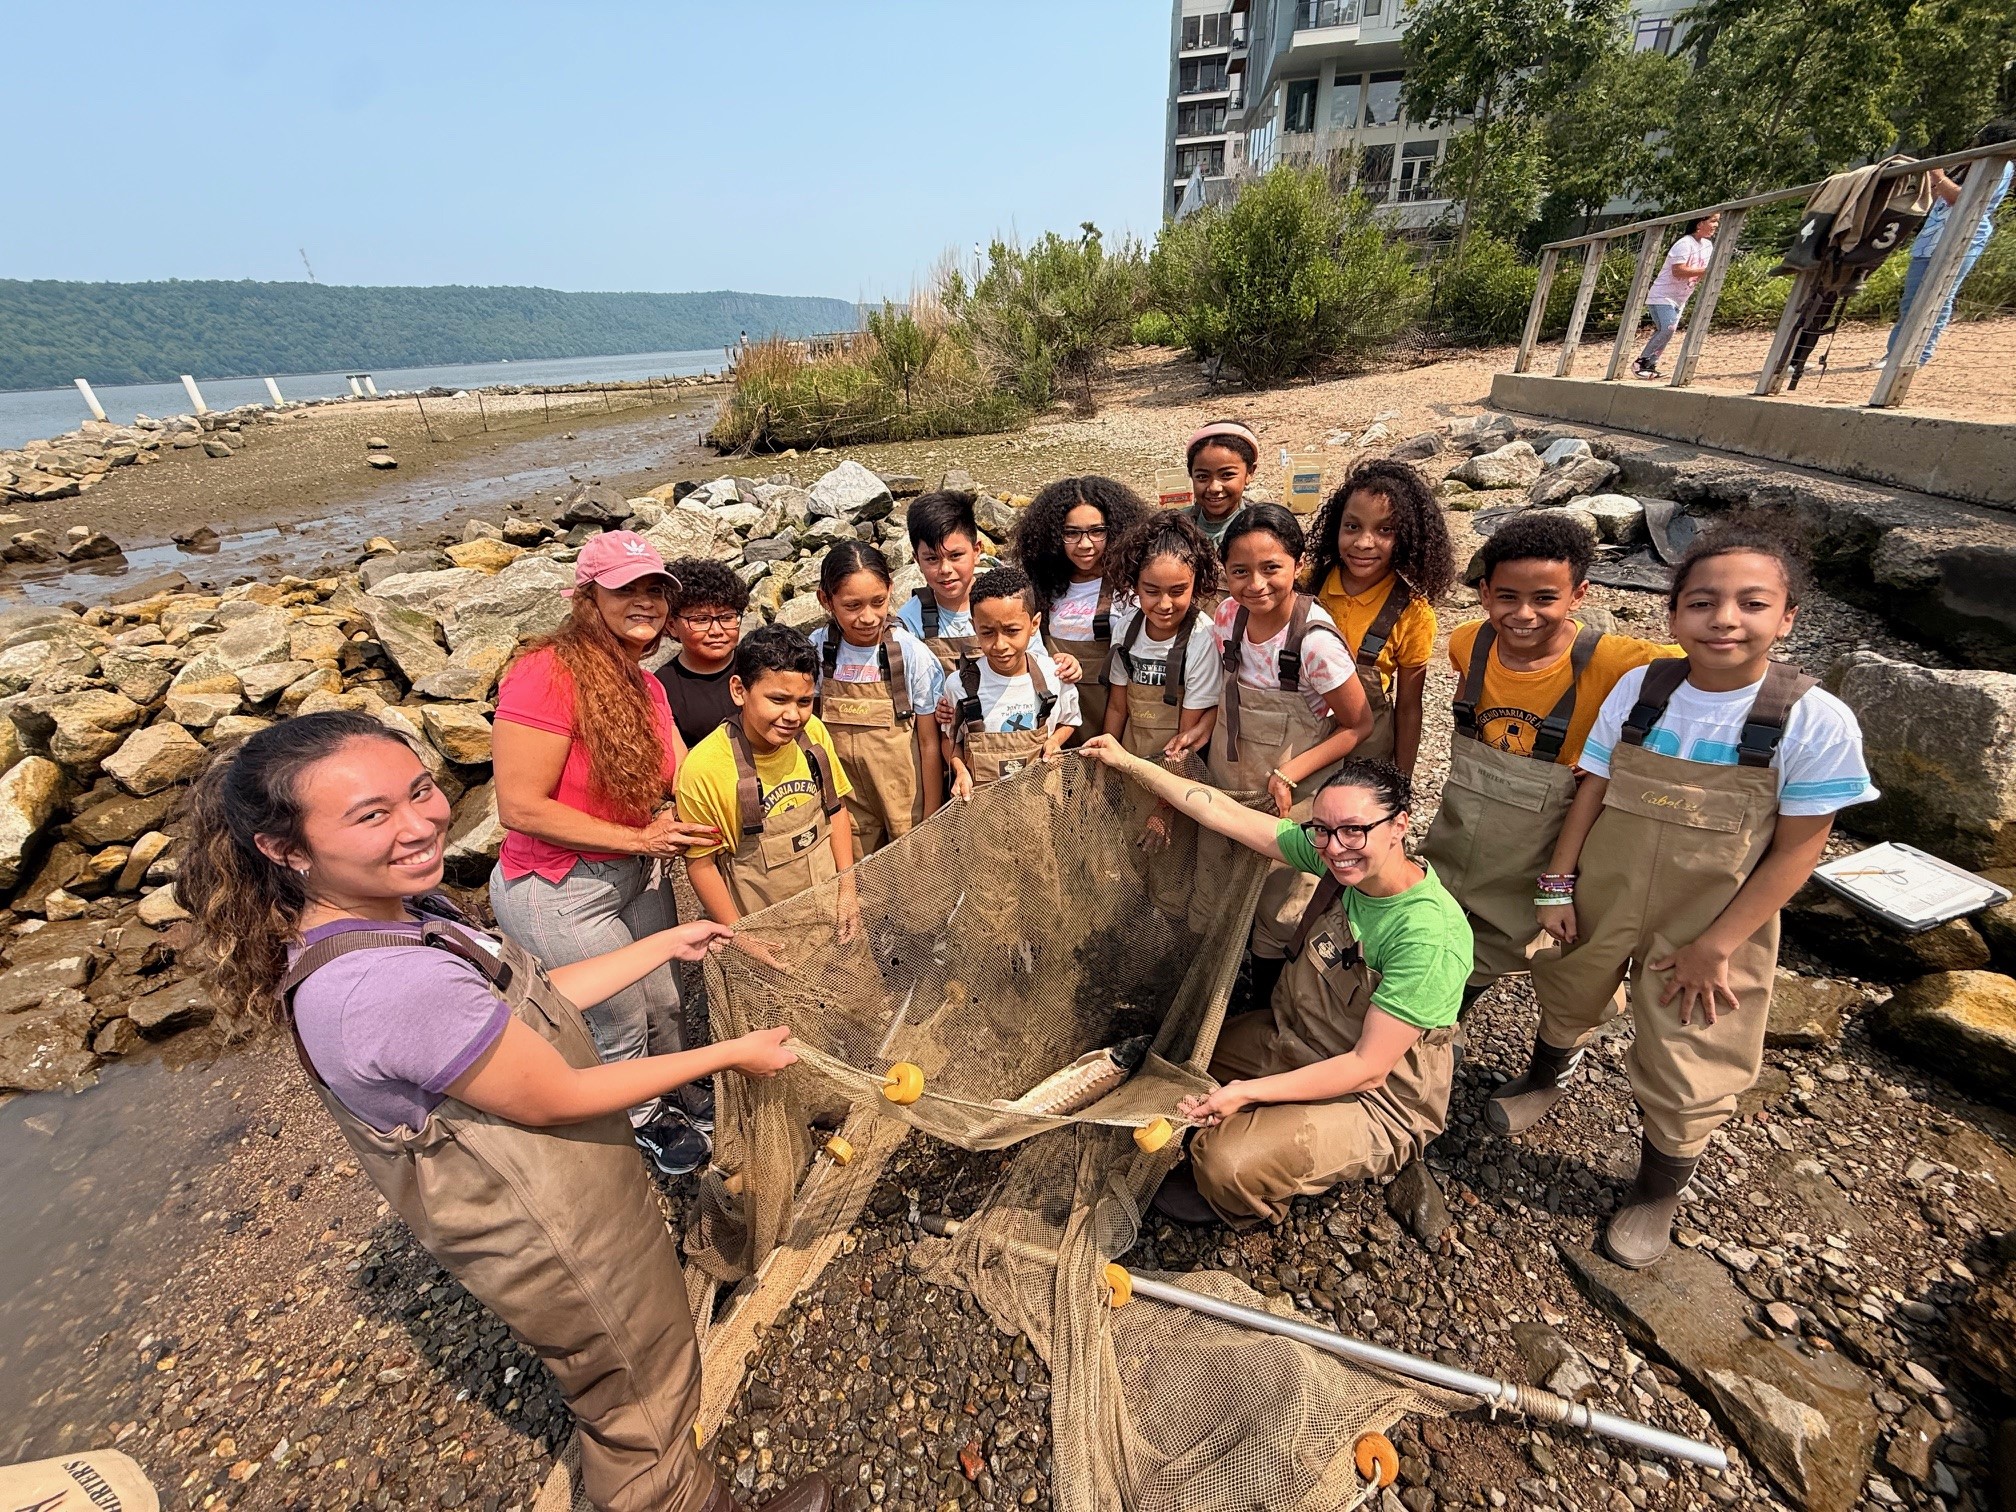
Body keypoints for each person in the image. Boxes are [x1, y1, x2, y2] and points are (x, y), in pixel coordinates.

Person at [177, 712, 826, 1512]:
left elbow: (527, 1007)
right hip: (551, 1235)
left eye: (420, 792)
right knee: (639, 1396)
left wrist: (663, 943)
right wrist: (731, 1053)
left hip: (573, 1194)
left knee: (640, 1368)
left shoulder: (398, 914)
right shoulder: (384, 988)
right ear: (285, 849)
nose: (419, 825)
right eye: (372, 815)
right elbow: (555, 1093)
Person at [1502, 519, 1876, 1270]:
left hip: (1713, 919)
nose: (1726, 620)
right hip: (1605, 885)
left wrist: (1718, 946)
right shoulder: (1645, 689)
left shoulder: (1812, 719)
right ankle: (1546, 1075)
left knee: (1692, 1046)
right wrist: (1557, 882)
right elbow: (1593, 787)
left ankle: (1658, 1186)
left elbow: (1801, 848)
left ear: (1788, 617)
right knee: (1568, 978)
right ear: (1674, 614)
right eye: (1703, 603)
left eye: (1752, 603)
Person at [1079, 743, 1469, 1226]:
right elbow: (1221, 811)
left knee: (1223, 1163)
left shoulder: (1429, 938)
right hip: (1298, 1040)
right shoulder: (1335, 856)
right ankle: (1258, 1124)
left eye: (1354, 830)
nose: (1335, 847)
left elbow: (1368, 1068)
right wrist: (1128, 762)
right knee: (1180, 1057)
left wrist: (1246, 1093)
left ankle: (1242, 1202)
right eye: (1323, 831)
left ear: (1400, 825)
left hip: (1377, 1096)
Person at [490, 531, 718, 1177]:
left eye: (655, 590)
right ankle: (640, 1118)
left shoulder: (646, 687)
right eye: (627, 589)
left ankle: (676, 1089)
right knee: (619, 1017)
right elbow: (521, 807)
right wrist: (643, 837)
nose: (644, 603)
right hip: (558, 886)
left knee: (669, 1000)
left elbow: (680, 771)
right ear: (589, 597)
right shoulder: (546, 672)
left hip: (635, 875)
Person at [1420, 513, 1678, 1007]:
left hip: (1544, 831)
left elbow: (1702, 663)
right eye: (1507, 597)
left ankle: (1454, 1012)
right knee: (1436, 903)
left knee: (1502, 932)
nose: (1523, 614)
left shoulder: (1613, 659)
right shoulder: (1466, 643)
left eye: (1545, 599)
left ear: (1578, 595)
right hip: (1462, 814)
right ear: (1484, 594)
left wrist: (1621, 757)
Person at [1200, 505, 1374, 1003]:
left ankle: (1265, 1002)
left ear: (1296, 565)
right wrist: (1199, 731)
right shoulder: (1228, 618)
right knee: (1223, 880)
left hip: (1294, 790)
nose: (1255, 584)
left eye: (1271, 568)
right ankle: (1220, 992)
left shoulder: (1316, 644)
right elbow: (1225, 692)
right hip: (1231, 776)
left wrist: (1291, 772)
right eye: (1240, 571)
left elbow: (1357, 724)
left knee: (1280, 897)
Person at [676, 625, 857, 927]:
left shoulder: (812, 735)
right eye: (778, 700)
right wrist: (741, 937)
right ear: (739, 690)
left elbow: (836, 812)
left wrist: (848, 891)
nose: (793, 716)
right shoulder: (703, 769)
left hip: (834, 913)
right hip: (765, 930)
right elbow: (701, 863)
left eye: (804, 701)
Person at [1102, 510, 1224, 920]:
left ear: (1196, 585)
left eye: (1178, 590)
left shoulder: (1202, 638)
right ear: (1133, 585)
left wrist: (1165, 808)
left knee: (1172, 872)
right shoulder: (1128, 630)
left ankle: (1168, 940)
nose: (1164, 603)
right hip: (1133, 764)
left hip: (1177, 782)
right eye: (1151, 590)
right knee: (1132, 863)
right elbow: (1118, 706)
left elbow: (1188, 741)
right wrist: (1106, 766)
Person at [1305, 459, 1454, 775]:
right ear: (1336, 527)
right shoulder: (1306, 585)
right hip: (1300, 743)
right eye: (1353, 526)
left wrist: (1402, 779)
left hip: (1365, 755)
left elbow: (1409, 709)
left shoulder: (1414, 615)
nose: (1363, 543)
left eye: (1384, 530)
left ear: (1408, 537)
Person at [808, 542, 946, 855]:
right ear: (825, 600)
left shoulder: (909, 654)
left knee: (914, 878)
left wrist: (931, 821)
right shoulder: (818, 650)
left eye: (878, 602)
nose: (868, 617)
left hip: (906, 801)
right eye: (852, 606)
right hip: (845, 802)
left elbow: (928, 743)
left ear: (890, 590)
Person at [1010, 475, 1149, 739]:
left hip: (1113, 718)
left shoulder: (1131, 589)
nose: (1085, 544)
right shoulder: (1039, 589)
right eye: (1071, 533)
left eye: (1097, 531)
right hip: (1053, 720)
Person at [1889, 119, 2016, 367]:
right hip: (1931, 239)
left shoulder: (2002, 167)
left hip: (1963, 238)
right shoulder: (1968, 166)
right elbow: (1941, 196)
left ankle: (1918, 355)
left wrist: (1937, 175)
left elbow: (1962, 198)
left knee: (1939, 296)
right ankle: (1895, 352)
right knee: (1911, 299)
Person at [946, 566, 1081, 798]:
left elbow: (1070, 720)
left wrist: (1055, 741)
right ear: (973, 626)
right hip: (983, 810)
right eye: (987, 633)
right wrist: (960, 771)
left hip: (1042, 805)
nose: (1000, 645)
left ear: (1034, 625)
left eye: (1012, 630)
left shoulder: (1054, 675)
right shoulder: (958, 685)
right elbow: (950, 742)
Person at [657, 557, 750, 751]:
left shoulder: (758, 664)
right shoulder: (662, 687)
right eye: (701, 620)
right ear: (671, 626)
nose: (716, 630)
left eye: (727, 617)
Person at [896, 490, 987, 672]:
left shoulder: (1006, 603)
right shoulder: (910, 620)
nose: (945, 569)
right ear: (917, 560)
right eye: (932, 559)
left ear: (976, 551)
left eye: (955, 556)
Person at [1633, 212, 1721, 379]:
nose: (1716, 225)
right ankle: (1641, 363)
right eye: (1713, 221)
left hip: (1680, 299)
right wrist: (1708, 271)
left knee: (1667, 331)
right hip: (1662, 296)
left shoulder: (1708, 246)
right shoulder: (1684, 243)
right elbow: (1678, 270)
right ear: (1699, 223)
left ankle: (1650, 365)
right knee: (1668, 328)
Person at [1183, 420, 1260, 550]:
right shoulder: (1175, 528)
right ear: (1191, 475)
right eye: (1202, 477)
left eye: (1227, 475)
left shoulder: (1263, 530)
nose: (1214, 487)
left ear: (1249, 473)